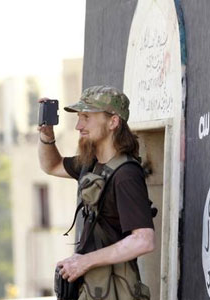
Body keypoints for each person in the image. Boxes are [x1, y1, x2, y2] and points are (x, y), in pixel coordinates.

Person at [38, 85, 155, 299]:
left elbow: (143, 240)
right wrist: (47, 135)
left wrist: (83, 261)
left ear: (113, 122)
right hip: (94, 287)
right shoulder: (90, 164)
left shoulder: (126, 175)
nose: (79, 126)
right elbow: (52, 165)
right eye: (79, 117)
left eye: (87, 117)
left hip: (115, 290)